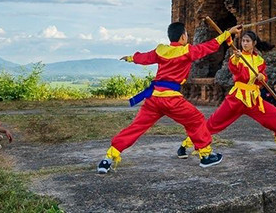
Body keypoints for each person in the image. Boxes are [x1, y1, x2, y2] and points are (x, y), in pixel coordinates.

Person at [96, 22, 242, 173]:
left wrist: (131, 58)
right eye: (186, 34)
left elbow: (145, 58)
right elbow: (210, 46)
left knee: (136, 127)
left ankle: (108, 158)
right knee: (196, 119)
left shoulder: (161, 50)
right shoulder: (187, 51)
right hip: (172, 100)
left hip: (154, 99)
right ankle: (205, 155)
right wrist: (228, 33)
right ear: (183, 37)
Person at [177, 30, 276, 156]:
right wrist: (236, 58)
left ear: (254, 43)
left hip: (253, 99)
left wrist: (261, 77)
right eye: (243, 41)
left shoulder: (259, 60)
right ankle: (186, 144)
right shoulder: (237, 58)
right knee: (213, 123)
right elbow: (236, 71)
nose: (244, 43)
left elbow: (262, 79)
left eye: (247, 41)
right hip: (237, 98)